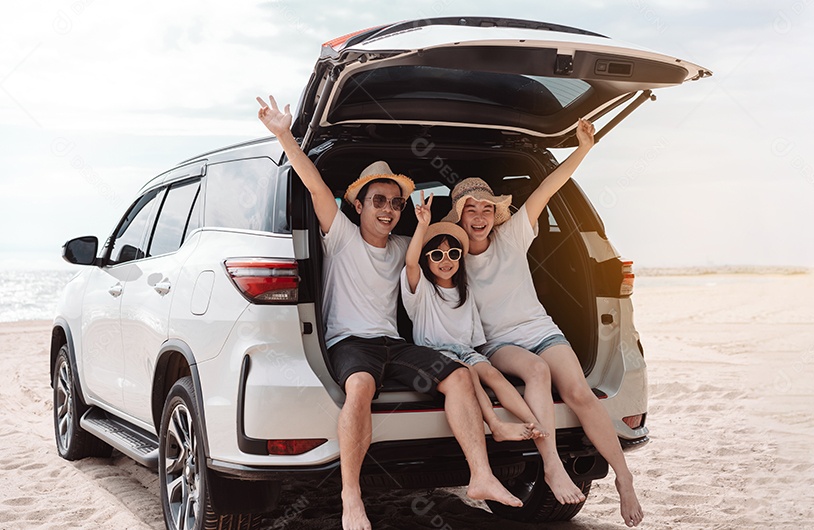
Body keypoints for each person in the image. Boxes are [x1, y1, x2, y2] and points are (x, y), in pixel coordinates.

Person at [256, 95, 521, 530]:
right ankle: (351, 496)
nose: (388, 209)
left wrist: (461, 222)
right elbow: (317, 187)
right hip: (350, 343)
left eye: (395, 203)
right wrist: (285, 135)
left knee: (458, 375)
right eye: (379, 201)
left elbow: (446, 246)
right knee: (359, 386)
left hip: (395, 346)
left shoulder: (402, 246)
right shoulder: (340, 236)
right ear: (358, 205)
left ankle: (481, 476)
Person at [445, 118, 644, 527]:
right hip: (499, 344)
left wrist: (583, 148)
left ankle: (624, 477)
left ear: (496, 213)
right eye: (470, 210)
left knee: (580, 393)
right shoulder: (449, 251)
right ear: (459, 216)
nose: (479, 216)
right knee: (536, 372)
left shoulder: (514, 234)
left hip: (542, 329)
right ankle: (551, 464)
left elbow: (547, 188)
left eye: (487, 208)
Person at [401, 193, 546, 442]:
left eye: (453, 254)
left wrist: (485, 361)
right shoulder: (421, 290)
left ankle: (536, 424)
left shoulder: (465, 292)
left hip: (465, 350)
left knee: (493, 376)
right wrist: (422, 226)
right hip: (435, 353)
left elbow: (475, 338)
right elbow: (411, 263)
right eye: (437, 255)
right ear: (427, 259)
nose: (446, 261)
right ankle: (496, 424)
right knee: (467, 373)